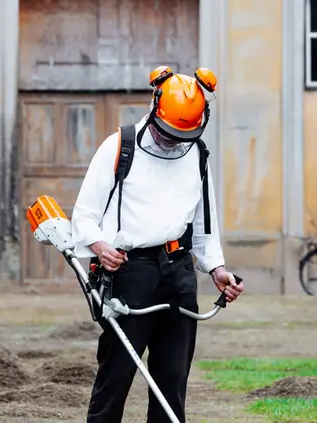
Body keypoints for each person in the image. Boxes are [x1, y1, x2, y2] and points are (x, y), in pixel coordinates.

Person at [70, 65, 244, 423]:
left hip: (178, 272)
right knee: (116, 374)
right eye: (167, 133)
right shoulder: (120, 146)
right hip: (129, 272)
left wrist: (216, 268)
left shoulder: (196, 154)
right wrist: (99, 246)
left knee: (172, 378)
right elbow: (84, 216)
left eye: (183, 135)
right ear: (154, 107)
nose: (173, 141)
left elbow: (204, 222)